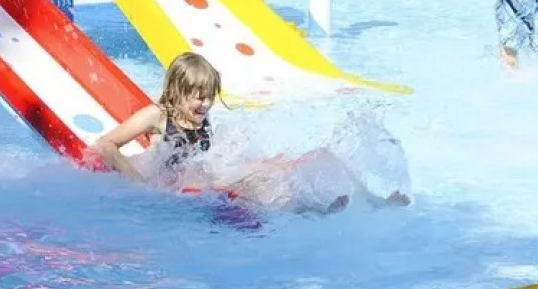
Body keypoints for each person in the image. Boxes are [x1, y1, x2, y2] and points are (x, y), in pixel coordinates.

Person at [93, 52, 393, 214]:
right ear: (177, 91)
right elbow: (106, 144)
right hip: (178, 190)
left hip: (205, 176)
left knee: (302, 158)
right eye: (198, 97)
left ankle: (373, 199)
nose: (206, 104)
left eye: (209, 96)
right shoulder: (158, 115)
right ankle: (312, 210)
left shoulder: (201, 116)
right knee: (260, 181)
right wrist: (140, 183)